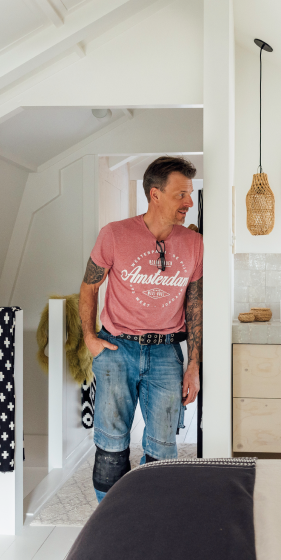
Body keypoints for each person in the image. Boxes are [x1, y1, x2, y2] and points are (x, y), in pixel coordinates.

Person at [79, 156, 203, 502]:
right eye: (181, 195)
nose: (188, 202)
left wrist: (194, 363)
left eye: (189, 194)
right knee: (111, 441)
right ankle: (108, 517)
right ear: (155, 194)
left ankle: (152, 513)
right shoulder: (114, 234)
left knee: (164, 445)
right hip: (116, 349)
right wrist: (89, 337)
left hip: (166, 352)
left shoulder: (194, 244)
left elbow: (195, 304)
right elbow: (89, 286)